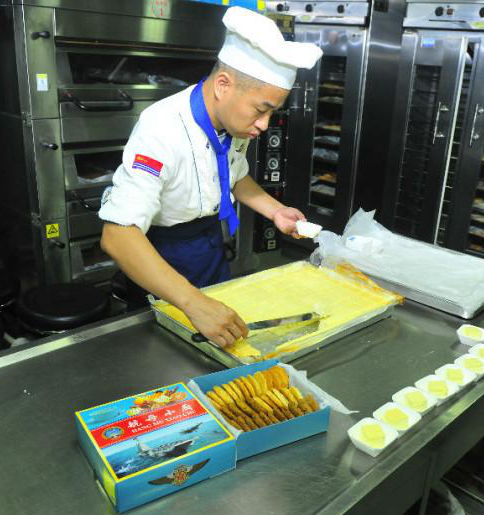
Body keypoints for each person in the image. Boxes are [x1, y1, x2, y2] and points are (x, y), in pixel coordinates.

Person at [99, 7, 322, 348]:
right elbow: (118, 236)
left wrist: (275, 210)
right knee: (167, 355)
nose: (264, 124)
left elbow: (234, 176)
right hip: (161, 257)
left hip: (209, 247)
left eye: (272, 113)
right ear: (223, 85)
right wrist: (194, 303)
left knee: (221, 348)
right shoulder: (161, 130)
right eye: (261, 110)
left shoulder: (235, 124)